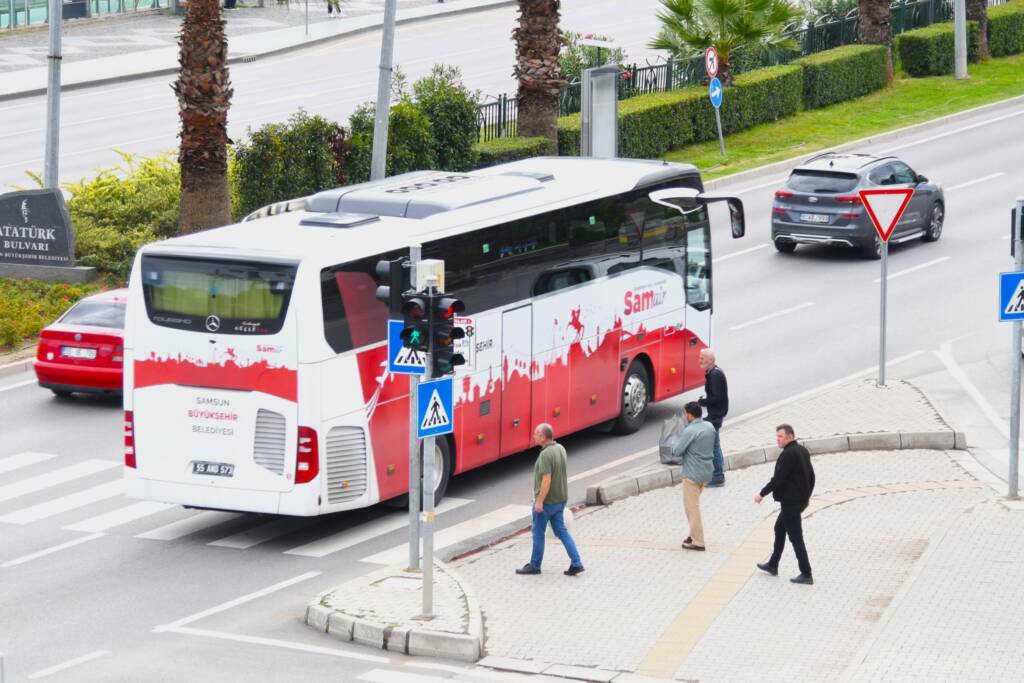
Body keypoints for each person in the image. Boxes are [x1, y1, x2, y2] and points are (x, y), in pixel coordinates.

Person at [516, 423, 584, 576]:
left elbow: (546, 480)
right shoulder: (560, 449)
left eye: (536, 434)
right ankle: (576, 562)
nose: (534, 436)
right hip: (560, 500)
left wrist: (539, 501)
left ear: (543, 437)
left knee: (538, 532)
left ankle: (535, 565)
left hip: (547, 502)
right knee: (562, 532)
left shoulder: (545, 455)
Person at [755, 424, 815, 585]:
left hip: (791, 503)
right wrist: (807, 496)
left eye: (780, 437)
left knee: (796, 538)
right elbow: (811, 476)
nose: (777, 440)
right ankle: (773, 564)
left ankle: (806, 573)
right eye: (777, 436)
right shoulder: (802, 450)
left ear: (790, 436)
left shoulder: (788, 454)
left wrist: (762, 493)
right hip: (798, 501)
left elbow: (778, 478)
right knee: (779, 528)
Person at [673, 401, 716, 551]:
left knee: (692, 508)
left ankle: (698, 541)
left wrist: (678, 437)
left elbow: (676, 451)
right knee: (692, 506)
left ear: (690, 415)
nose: (685, 416)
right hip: (706, 472)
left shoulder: (690, 431)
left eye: (685, 414)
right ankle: (692, 534)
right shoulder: (709, 427)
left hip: (692, 474)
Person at [698, 348, 728, 487]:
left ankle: (717, 476)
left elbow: (715, 397)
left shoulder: (714, 375)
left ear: (710, 360)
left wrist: (701, 402)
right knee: (716, 444)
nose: (699, 360)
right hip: (716, 414)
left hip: (714, 416)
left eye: (702, 358)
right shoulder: (714, 372)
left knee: (713, 446)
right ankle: (719, 473)